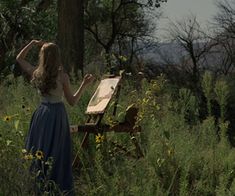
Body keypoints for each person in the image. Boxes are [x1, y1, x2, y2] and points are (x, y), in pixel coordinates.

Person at [16, 40, 94, 195]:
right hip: (58, 116)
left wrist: (32, 43)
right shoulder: (62, 77)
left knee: (40, 149)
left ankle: (39, 186)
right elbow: (72, 102)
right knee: (57, 153)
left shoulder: (37, 73)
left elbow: (19, 58)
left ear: (42, 56)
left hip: (42, 114)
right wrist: (84, 85)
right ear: (57, 57)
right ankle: (57, 188)